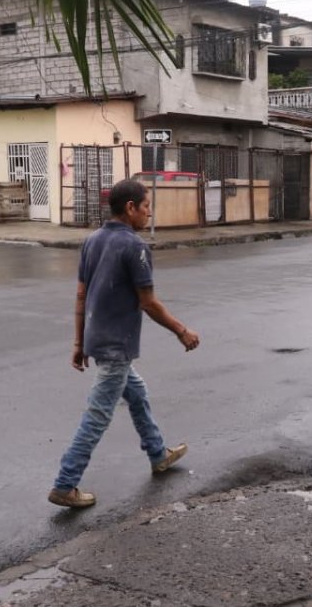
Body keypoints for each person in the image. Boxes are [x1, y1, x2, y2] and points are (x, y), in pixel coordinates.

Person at [49, 179, 201, 509]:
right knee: (98, 415)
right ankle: (65, 483)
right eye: (146, 207)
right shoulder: (134, 247)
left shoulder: (92, 241)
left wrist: (79, 341)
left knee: (137, 393)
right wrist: (181, 330)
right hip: (117, 344)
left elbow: (80, 295)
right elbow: (148, 302)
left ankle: (158, 453)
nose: (149, 213)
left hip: (97, 338)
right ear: (130, 208)